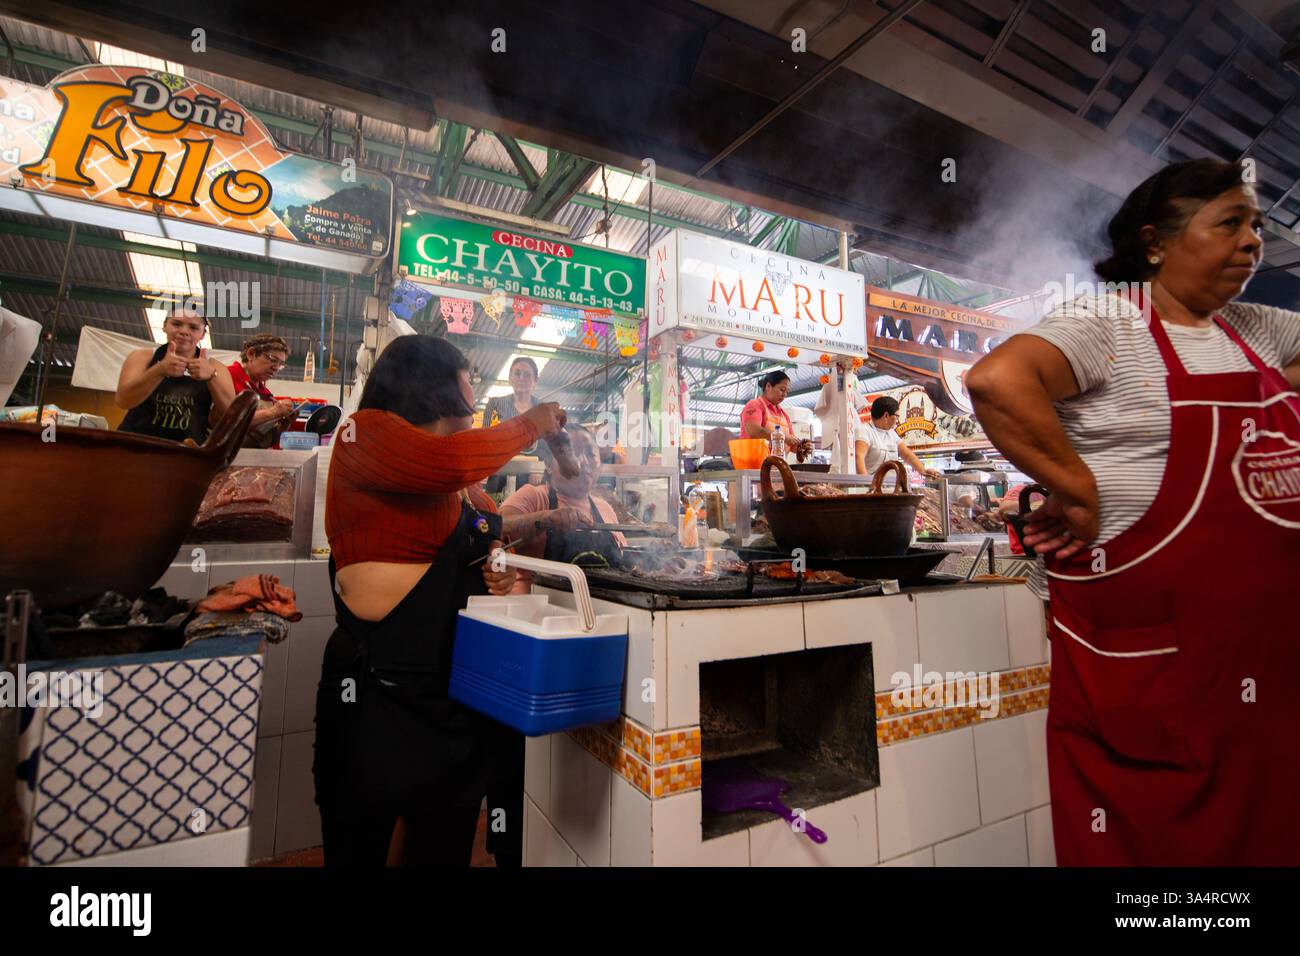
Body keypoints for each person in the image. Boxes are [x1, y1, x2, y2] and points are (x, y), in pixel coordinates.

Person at [966, 158, 1300, 866]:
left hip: (1261, 664)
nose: (1252, 243)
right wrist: (1079, 491)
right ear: (1155, 243)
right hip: (1151, 664)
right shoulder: (1108, 321)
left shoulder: (1255, 330)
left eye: (1257, 227)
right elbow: (998, 380)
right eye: (1231, 224)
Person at [314, 335, 566, 867]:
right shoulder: (364, 434)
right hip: (376, 693)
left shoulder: (465, 491)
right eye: (467, 376)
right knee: (359, 844)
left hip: (447, 698)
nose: (474, 388)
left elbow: (484, 528)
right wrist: (531, 423)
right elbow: (445, 463)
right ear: (432, 382)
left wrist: (495, 563)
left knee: (441, 844)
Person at [500, 424, 627, 591]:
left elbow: (623, 561)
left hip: (598, 609)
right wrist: (546, 519)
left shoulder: (605, 509)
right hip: (538, 609)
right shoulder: (533, 496)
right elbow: (499, 527)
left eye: (590, 453)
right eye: (572, 452)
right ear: (549, 464)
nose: (583, 461)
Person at [115, 306, 234, 442]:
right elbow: (123, 401)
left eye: (193, 328)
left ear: (203, 334)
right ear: (165, 326)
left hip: (186, 453)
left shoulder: (217, 368)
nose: (184, 331)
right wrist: (158, 370)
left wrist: (212, 376)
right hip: (135, 445)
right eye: (176, 324)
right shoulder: (142, 357)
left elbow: (232, 415)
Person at [482, 356, 549, 491]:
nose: (521, 378)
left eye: (527, 375)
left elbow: (548, 445)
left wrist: (539, 468)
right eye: (517, 373)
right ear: (510, 378)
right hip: (499, 476)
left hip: (533, 481)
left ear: (535, 380)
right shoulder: (495, 405)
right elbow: (486, 441)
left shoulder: (543, 409)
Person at [855, 396, 942, 480]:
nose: (897, 420)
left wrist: (924, 471)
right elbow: (859, 457)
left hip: (892, 487)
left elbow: (907, 455)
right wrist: (867, 485)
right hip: (872, 489)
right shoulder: (864, 431)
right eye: (897, 416)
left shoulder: (891, 433)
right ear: (886, 415)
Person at [228, 333, 297, 433]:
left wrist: (282, 426)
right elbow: (228, 420)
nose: (276, 368)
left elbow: (262, 437)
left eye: (280, 364)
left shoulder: (266, 394)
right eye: (273, 359)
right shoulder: (227, 377)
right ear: (251, 354)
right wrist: (273, 412)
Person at [740, 370, 811, 458]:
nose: (784, 394)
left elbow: (792, 445)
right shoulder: (755, 405)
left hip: (777, 466)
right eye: (782, 390)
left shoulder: (784, 415)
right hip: (754, 466)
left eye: (787, 391)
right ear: (768, 386)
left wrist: (801, 447)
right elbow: (753, 430)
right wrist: (783, 437)